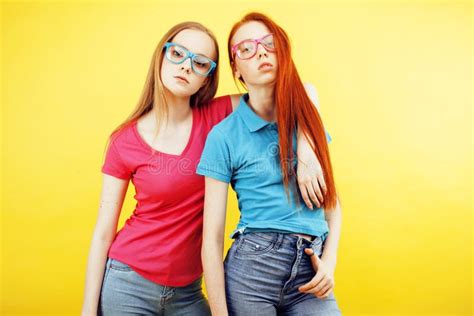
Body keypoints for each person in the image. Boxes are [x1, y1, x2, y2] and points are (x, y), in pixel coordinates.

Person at [81, 20, 327, 316]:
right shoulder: (124, 141)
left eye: (199, 62)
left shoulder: (217, 116)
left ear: (206, 78)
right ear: (161, 56)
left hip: (188, 294)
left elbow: (301, 91)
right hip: (127, 283)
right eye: (177, 54)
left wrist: (306, 150)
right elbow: (103, 233)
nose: (186, 66)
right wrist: (88, 310)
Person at [198, 12, 342, 315]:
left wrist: (329, 263)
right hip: (252, 269)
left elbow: (332, 205)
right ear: (236, 68)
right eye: (246, 49)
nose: (261, 51)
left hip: (311, 269)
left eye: (269, 43)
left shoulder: (308, 122)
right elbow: (211, 238)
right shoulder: (223, 136)